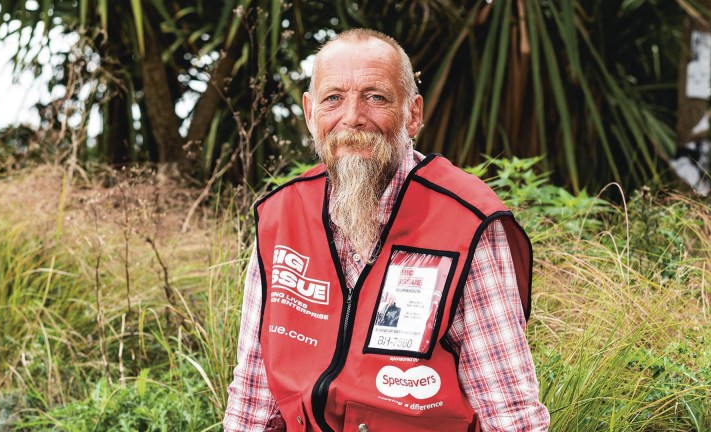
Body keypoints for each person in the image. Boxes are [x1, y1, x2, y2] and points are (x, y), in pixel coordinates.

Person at [224, 28, 550, 432]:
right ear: (310, 113)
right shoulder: (280, 217)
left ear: (413, 113)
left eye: (375, 97)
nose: (352, 117)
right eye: (333, 98)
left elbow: (510, 413)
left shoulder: (466, 223)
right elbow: (253, 399)